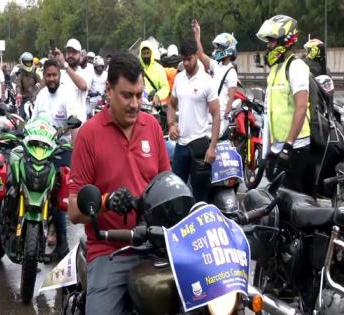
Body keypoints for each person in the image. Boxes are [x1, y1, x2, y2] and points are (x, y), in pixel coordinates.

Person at [68, 52, 170, 315]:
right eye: (127, 95)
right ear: (109, 90)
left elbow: (167, 186)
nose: (135, 104)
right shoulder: (89, 135)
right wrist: (106, 202)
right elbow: (73, 211)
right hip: (109, 250)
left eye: (139, 95)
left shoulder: (153, 127)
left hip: (154, 245)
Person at [257, 15, 315, 195]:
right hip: (278, 147)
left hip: (295, 147)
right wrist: (268, 152)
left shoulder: (296, 66)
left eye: (272, 40)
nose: (268, 45)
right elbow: (270, 112)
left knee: (294, 201)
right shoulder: (275, 69)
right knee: (279, 201)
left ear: (285, 40)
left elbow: (301, 106)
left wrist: (288, 145)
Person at [31, 58, 78, 261]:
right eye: (48, 75)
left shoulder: (67, 94)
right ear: (43, 76)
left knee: (58, 198)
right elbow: (33, 121)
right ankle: (34, 238)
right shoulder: (40, 96)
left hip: (61, 150)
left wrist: (71, 145)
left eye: (54, 75)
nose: (51, 79)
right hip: (40, 150)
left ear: (59, 75)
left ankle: (62, 245)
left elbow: (75, 120)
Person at [167, 39, 221, 202]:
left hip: (200, 145)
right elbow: (171, 103)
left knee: (200, 196)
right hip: (181, 146)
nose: (186, 63)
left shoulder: (207, 81)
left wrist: (212, 147)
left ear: (196, 56)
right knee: (176, 194)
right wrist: (171, 125)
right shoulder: (179, 78)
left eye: (189, 59)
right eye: (183, 59)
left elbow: (216, 114)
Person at [193, 20, 238, 138]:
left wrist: (225, 119)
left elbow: (230, 99)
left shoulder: (231, 72)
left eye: (219, 48)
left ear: (228, 49)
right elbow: (200, 55)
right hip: (209, 117)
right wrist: (197, 35)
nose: (216, 50)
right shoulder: (216, 66)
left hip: (219, 121)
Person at [54, 38, 90, 124]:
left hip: (78, 124)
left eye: (74, 52)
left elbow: (83, 86)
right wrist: (53, 62)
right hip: (60, 126)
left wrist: (65, 65)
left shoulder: (86, 72)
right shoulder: (60, 73)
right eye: (68, 52)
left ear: (80, 55)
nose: (70, 55)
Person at [139, 40, 170, 107]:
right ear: (140, 54)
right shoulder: (136, 68)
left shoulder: (159, 68)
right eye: (144, 53)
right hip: (139, 106)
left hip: (154, 106)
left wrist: (157, 96)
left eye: (148, 53)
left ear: (151, 53)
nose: (146, 56)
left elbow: (165, 87)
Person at [15, 52, 41, 119]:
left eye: (29, 62)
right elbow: (18, 85)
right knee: (21, 118)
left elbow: (41, 82)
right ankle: (20, 129)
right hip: (23, 100)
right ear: (22, 62)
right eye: (26, 62)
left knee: (38, 117)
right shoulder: (20, 75)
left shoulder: (34, 74)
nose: (28, 64)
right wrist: (18, 93)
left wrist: (39, 86)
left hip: (34, 99)